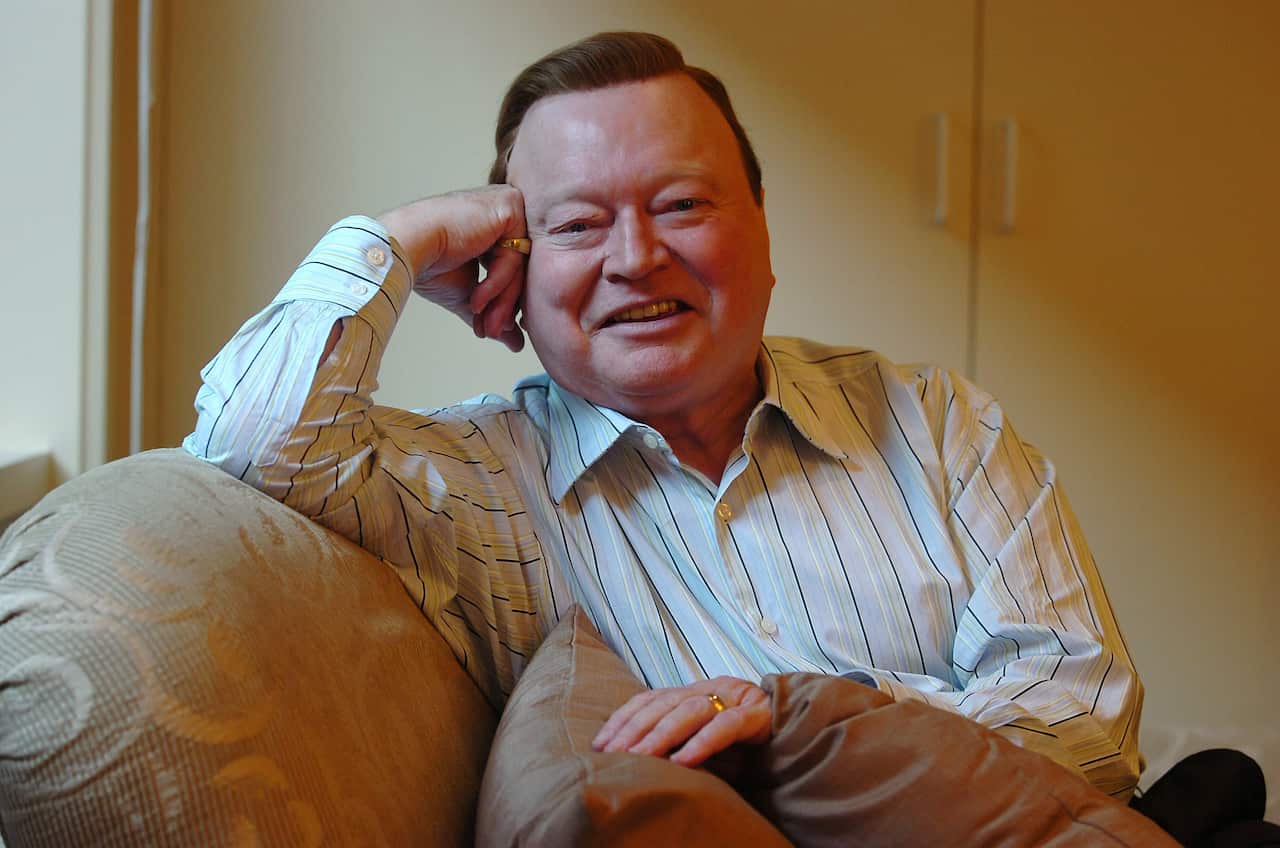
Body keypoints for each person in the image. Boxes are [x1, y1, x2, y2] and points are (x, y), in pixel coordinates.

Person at [187, 31, 1143, 802]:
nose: (637, 256)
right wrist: (400, 240)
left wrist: (802, 719)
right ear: (513, 271)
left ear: (761, 229)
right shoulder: (480, 487)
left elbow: (1089, 721)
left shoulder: (933, 421)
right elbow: (246, 446)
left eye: (681, 204)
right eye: (576, 224)